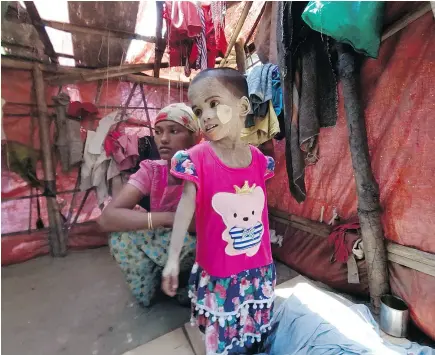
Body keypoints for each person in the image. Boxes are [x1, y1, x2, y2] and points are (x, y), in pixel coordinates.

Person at [162, 68, 276, 354]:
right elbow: (184, 211)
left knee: (254, 333)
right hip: (220, 275)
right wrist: (173, 258)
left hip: (258, 270)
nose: (206, 116)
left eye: (213, 104)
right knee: (224, 339)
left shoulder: (260, 161)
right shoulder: (197, 158)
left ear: (243, 107)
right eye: (198, 111)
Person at [97, 103, 199, 307]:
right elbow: (106, 219)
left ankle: (188, 285)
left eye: (174, 131)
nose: (163, 139)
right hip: (166, 237)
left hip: (195, 246)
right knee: (120, 237)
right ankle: (154, 284)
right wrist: (168, 218)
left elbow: (201, 225)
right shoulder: (152, 170)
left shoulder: (204, 171)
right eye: (159, 132)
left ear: (194, 137)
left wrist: (173, 223)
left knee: (202, 243)